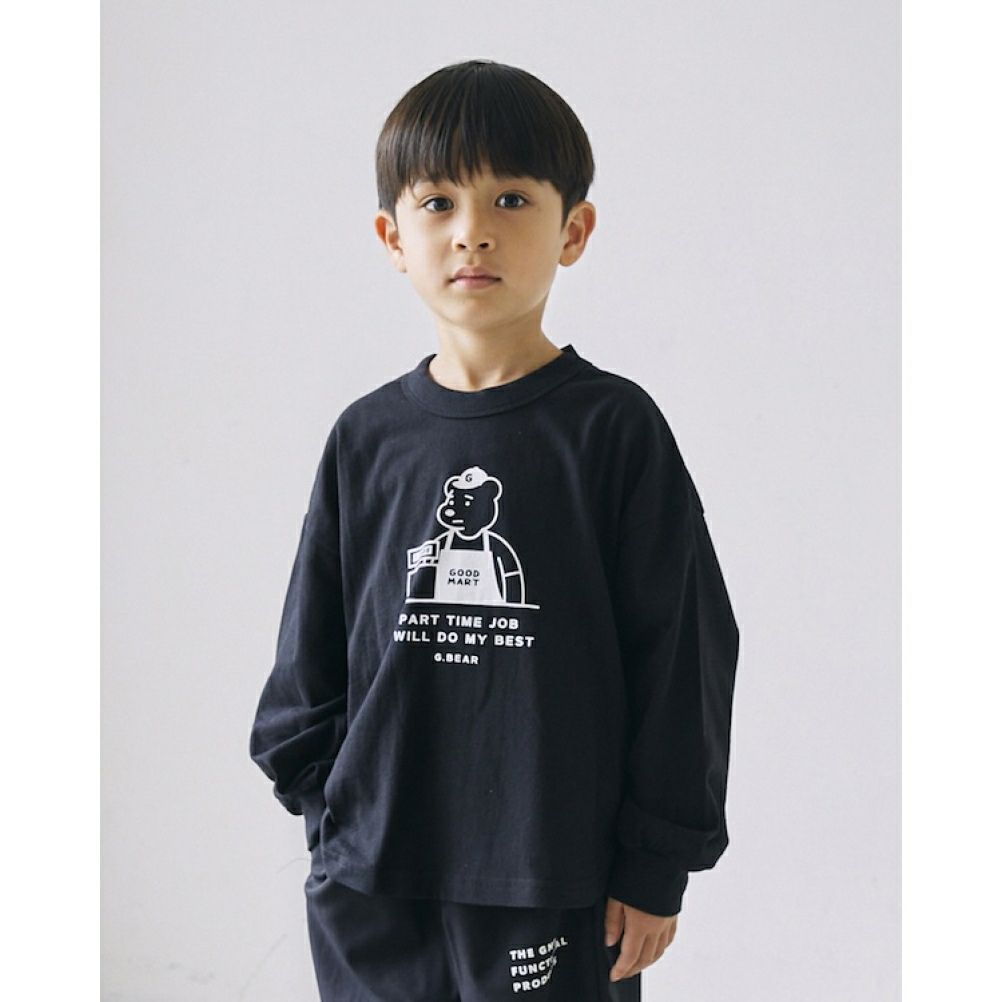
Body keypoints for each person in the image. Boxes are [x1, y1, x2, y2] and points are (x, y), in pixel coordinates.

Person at [249, 58, 740, 1002]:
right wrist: (328, 805)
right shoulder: (366, 437)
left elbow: (683, 656)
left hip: (552, 879)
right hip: (372, 876)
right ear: (393, 237)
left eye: (511, 199)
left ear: (573, 230)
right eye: (438, 202)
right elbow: (310, 649)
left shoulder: (612, 431)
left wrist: (654, 862)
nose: (472, 230)